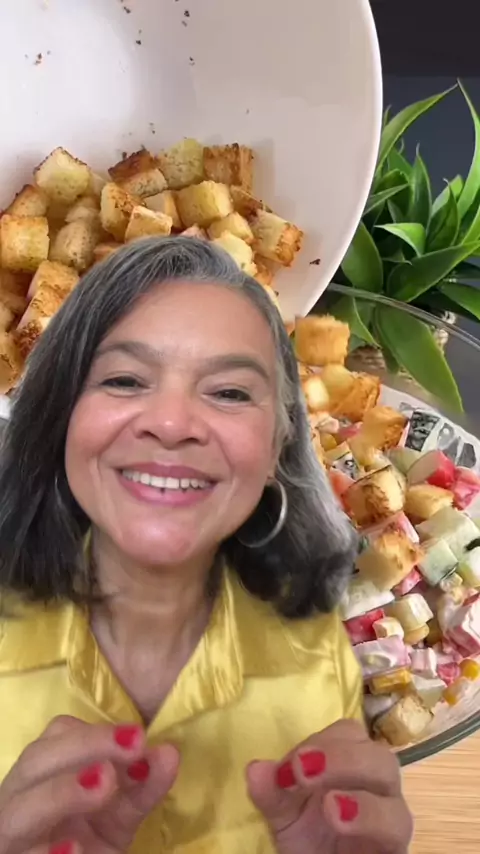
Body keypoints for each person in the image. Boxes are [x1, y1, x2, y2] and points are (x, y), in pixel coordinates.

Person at [0, 238, 412, 854]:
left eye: (229, 392)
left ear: (277, 447)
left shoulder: (318, 657)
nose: (171, 423)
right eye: (123, 379)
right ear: (60, 419)